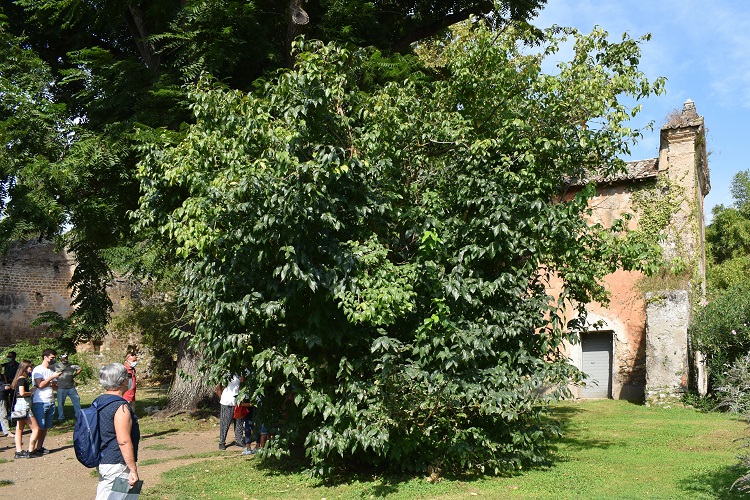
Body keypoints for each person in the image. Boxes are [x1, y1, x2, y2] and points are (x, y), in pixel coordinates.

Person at [94, 363, 140, 500]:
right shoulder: (120, 406)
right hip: (117, 463)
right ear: (122, 381)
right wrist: (133, 469)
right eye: (127, 376)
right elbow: (124, 441)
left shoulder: (98, 401)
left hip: (104, 459)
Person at [30, 349, 62, 455]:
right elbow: (40, 385)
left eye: (54, 358)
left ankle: (39, 447)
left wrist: (54, 382)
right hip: (40, 401)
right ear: (45, 357)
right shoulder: (38, 369)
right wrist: (51, 378)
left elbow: (56, 388)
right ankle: (31, 450)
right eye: (52, 357)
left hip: (50, 401)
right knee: (39, 427)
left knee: (45, 427)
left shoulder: (52, 370)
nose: (54, 359)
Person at [11, 360, 39, 459]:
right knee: (36, 429)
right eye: (30, 367)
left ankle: (19, 451)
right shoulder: (22, 379)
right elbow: (22, 393)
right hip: (24, 405)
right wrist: (30, 393)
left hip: (19, 405)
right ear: (25, 368)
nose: (31, 369)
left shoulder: (19, 379)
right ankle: (31, 451)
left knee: (19, 429)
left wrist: (33, 389)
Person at [216, 374, 244, 450]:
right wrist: (222, 398)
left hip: (238, 402)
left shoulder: (242, 374)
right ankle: (222, 442)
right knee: (225, 423)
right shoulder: (227, 374)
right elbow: (218, 388)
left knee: (239, 423)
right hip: (228, 402)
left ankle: (239, 440)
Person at [52, 353, 82, 421]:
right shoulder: (56, 366)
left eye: (66, 358)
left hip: (71, 387)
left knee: (76, 401)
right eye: (63, 358)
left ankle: (79, 415)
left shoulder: (71, 365)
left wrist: (74, 375)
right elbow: (49, 370)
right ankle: (61, 417)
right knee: (60, 403)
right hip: (61, 388)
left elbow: (80, 368)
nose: (65, 360)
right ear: (60, 359)